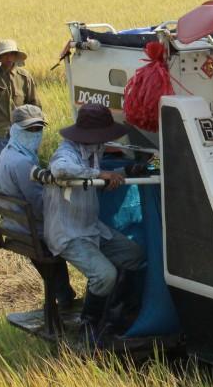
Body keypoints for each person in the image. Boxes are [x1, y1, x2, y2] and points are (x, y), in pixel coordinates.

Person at [44, 103, 146, 338]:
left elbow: (104, 175)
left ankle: (115, 316)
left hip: (91, 228)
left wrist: (128, 170)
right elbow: (60, 169)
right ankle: (88, 324)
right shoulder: (66, 152)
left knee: (135, 256)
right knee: (105, 275)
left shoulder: (93, 150)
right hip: (69, 232)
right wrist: (100, 175)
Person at [0, 104, 78, 307]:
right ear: (14, 129)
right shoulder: (22, 163)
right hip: (29, 232)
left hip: (16, 227)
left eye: (38, 129)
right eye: (29, 129)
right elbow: (40, 207)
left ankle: (63, 293)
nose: (34, 134)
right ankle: (67, 296)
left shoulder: (8, 153)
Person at [0, 39, 38, 172]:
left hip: (21, 134)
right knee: (0, 172)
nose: (9, 58)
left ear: (16, 56)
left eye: (12, 54)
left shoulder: (25, 77)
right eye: (5, 54)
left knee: (23, 172)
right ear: (0, 57)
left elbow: (35, 105)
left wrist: (33, 131)